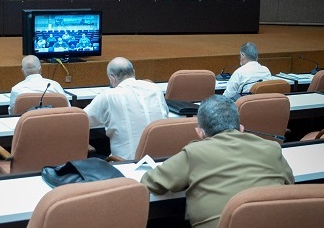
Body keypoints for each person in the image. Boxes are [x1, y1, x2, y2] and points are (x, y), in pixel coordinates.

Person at [141, 95, 294, 228]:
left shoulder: (194, 153)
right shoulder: (272, 148)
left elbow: (150, 182)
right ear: (241, 128)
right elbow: (290, 184)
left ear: (200, 133)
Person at [84, 57, 169, 160]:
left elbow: (81, 121)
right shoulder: (155, 89)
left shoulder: (109, 95)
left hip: (125, 164)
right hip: (161, 161)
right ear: (133, 72)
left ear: (112, 78)